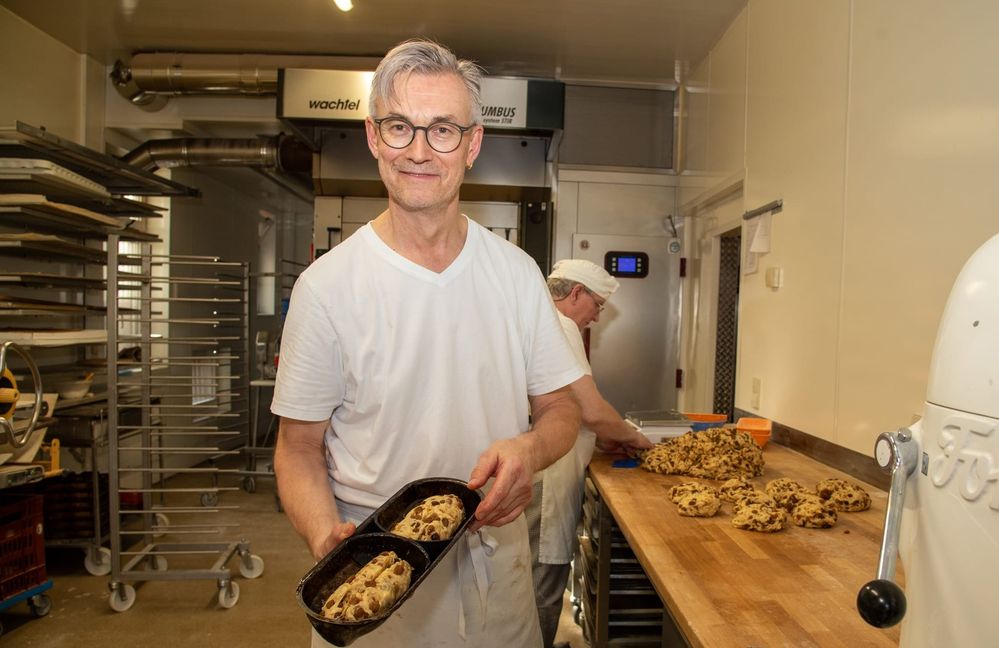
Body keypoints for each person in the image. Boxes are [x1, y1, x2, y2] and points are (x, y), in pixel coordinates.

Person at [271, 39, 584, 648]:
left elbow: (562, 410)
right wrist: (322, 536)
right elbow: (297, 449)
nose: (418, 150)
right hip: (377, 585)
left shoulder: (516, 275)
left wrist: (530, 449)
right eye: (399, 127)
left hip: (497, 570)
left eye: (442, 129)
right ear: (372, 137)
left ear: (472, 145)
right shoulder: (327, 288)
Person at [526, 259, 653, 648]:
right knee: (542, 584)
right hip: (547, 479)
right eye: (597, 305)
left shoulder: (536, 320)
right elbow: (591, 409)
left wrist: (597, 439)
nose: (597, 317)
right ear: (576, 293)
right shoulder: (559, 327)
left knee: (533, 581)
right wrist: (636, 438)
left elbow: (567, 407)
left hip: (539, 469)